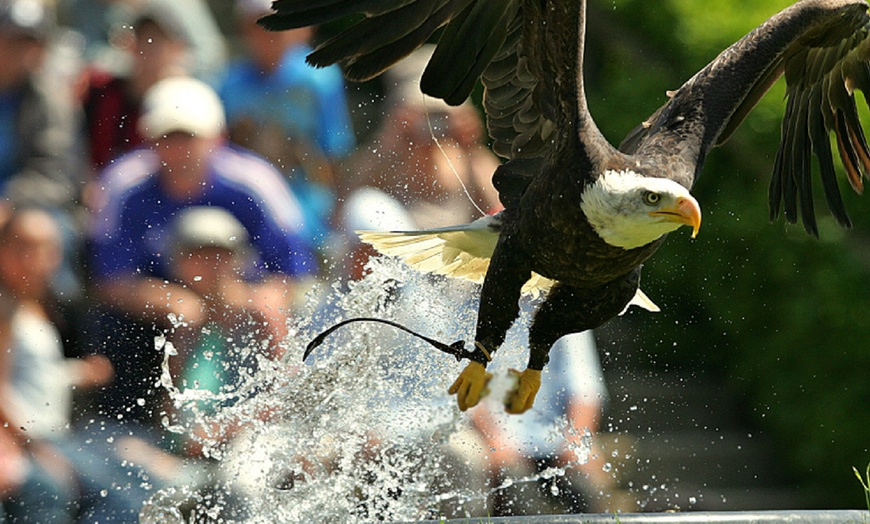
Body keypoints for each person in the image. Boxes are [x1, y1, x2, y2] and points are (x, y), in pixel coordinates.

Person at [86, 76, 317, 433]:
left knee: (274, 315)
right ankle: (140, 426)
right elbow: (109, 279)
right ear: (150, 140)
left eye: (189, 137)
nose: (179, 150)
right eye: (168, 138)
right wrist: (174, 302)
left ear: (216, 138)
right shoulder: (125, 186)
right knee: (116, 326)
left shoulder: (254, 184)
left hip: (243, 301)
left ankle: (283, 416)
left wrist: (247, 299)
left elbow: (292, 271)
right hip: (159, 312)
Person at [0, 207, 153, 522]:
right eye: (24, 247)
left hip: (53, 435)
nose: (36, 259)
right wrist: (33, 445)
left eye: (47, 248)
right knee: (115, 501)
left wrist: (77, 373)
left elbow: (28, 377)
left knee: (133, 486)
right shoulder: (5, 310)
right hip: (33, 440)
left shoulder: (39, 307)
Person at [218, 0, 357, 249]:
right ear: (244, 29)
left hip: (307, 203)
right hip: (245, 200)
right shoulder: (229, 83)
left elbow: (335, 153)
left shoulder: (319, 77)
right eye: (259, 24)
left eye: (278, 22)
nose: (269, 32)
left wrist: (337, 210)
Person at [80, 1, 193, 172]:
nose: (152, 48)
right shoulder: (101, 91)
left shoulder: (190, 100)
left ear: (178, 48)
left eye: (160, 41)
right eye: (146, 39)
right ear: (130, 44)